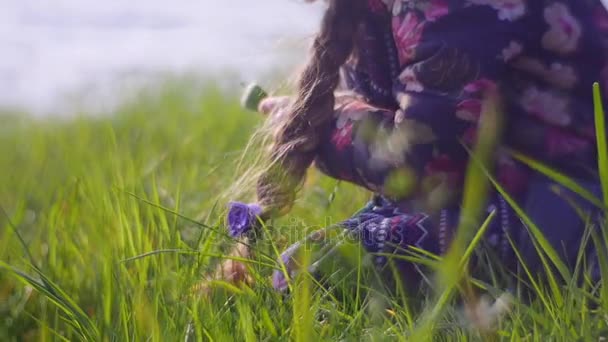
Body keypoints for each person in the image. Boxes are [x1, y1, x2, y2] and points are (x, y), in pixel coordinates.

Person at [222, 0, 608, 294]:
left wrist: (318, 127)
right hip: (498, 192)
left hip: (574, 203)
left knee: (312, 268)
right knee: (315, 262)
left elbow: (421, 158)